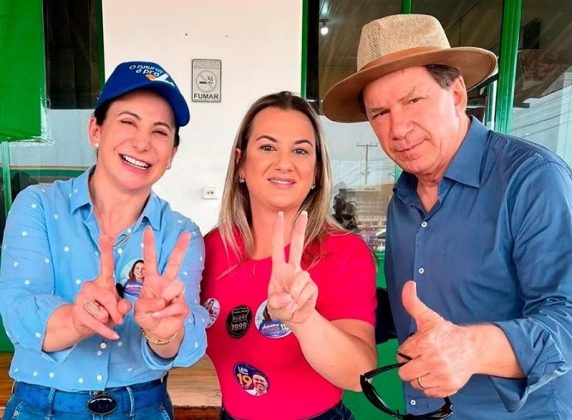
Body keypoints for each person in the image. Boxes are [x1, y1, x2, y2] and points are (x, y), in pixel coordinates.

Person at [322, 13, 572, 419]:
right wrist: (317, 303)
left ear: (455, 94)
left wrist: (471, 348)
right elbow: (416, 307)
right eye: (379, 113)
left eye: (413, 100)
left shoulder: (532, 178)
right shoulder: (403, 200)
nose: (398, 128)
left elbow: (566, 318)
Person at [0, 61, 209, 419]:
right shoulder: (38, 205)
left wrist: (163, 332)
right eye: (128, 122)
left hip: (143, 407)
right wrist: (76, 319)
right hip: (42, 406)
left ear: (172, 154)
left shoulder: (181, 234)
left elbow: (188, 343)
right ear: (95, 129)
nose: (142, 142)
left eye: (160, 131)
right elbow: (18, 312)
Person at [201, 91, 377, 419]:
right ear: (240, 163)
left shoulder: (344, 252)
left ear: (316, 171)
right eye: (267, 147)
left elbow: (359, 375)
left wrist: (303, 321)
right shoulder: (210, 248)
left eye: (300, 150)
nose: (284, 163)